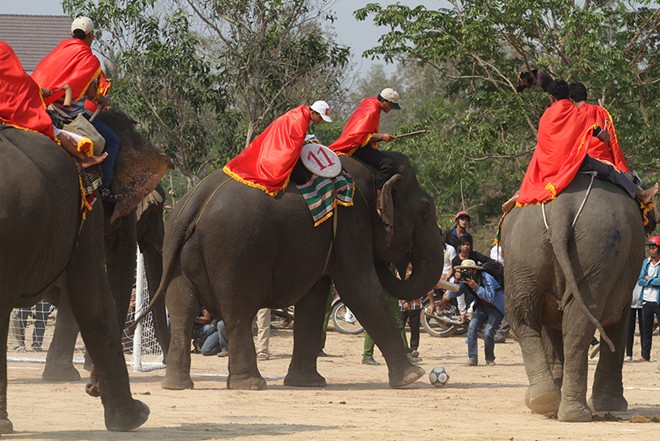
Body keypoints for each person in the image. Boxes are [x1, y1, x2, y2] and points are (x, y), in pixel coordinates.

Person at [502, 80, 657, 212]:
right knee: (611, 172)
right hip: (572, 164)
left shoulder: (545, 116)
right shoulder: (578, 113)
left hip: (546, 166)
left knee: (531, 177)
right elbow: (604, 136)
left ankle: (521, 195)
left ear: (551, 98)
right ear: (568, 96)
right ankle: (640, 194)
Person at [32, 16, 122, 201]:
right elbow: (91, 93)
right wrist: (102, 99)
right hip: (72, 118)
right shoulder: (89, 60)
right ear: (90, 35)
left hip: (46, 113)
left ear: (72, 34)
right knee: (113, 142)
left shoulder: (56, 53)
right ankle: (104, 189)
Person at [0, 40, 106, 168]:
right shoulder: (3, 49)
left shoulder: (56, 58)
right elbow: (18, 81)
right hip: (67, 115)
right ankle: (83, 159)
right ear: (90, 35)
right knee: (52, 128)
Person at [224, 100, 332, 197]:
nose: (321, 120)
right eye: (321, 117)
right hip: (281, 147)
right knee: (302, 179)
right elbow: (294, 146)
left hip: (277, 140)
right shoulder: (301, 121)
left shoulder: (301, 111)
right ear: (314, 113)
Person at [328, 88, 401, 201]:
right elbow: (359, 136)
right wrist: (381, 137)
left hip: (359, 142)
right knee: (388, 164)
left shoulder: (369, 102)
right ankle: (379, 197)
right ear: (384, 101)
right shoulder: (371, 111)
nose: (391, 108)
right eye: (390, 105)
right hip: (356, 146)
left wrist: (381, 137)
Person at [443, 259, 505, 366]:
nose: (465, 272)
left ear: (475, 271)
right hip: (482, 307)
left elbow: (490, 297)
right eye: (462, 270)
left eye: (467, 270)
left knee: (488, 332)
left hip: (496, 308)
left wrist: (475, 287)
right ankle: (472, 358)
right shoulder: (465, 281)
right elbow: (454, 293)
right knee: (471, 328)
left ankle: (489, 358)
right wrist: (456, 281)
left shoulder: (486, 277)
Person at [637, 236, 660, 362]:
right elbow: (640, 280)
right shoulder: (645, 263)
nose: (651, 250)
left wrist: (649, 279)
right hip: (646, 300)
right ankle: (645, 355)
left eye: (654, 247)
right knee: (646, 330)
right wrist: (654, 279)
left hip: (658, 301)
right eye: (650, 247)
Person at [625, 283, 644, 362]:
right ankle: (629, 354)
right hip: (630, 304)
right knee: (629, 331)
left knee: (643, 331)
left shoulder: (644, 271)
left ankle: (644, 354)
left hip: (643, 304)